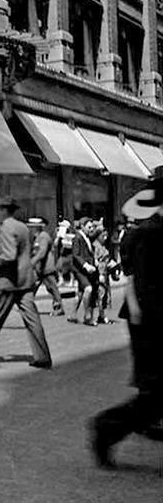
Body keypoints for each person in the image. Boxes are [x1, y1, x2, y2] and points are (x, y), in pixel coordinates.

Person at [90, 167, 163, 468]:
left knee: (155, 396)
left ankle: (113, 426)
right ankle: (108, 427)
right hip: (152, 324)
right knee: (155, 396)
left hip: (149, 320)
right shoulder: (150, 236)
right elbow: (146, 288)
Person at [0, 196, 52, 368]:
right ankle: (43, 357)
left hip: (9, 281)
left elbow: (9, 256)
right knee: (33, 320)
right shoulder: (23, 227)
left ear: (3, 210)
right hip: (26, 280)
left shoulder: (6, 227)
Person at [28, 217, 63, 316]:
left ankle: (58, 307)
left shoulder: (43, 236)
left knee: (51, 288)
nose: (31, 229)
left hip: (46, 267)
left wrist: (32, 262)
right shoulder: (37, 237)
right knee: (31, 286)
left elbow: (42, 252)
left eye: (33, 227)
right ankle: (28, 307)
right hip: (38, 267)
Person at [69, 217, 99, 325]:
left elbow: (90, 251)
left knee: (81, 293)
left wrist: (94, 260)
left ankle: (72, 315)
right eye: (89, 227)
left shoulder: (87, 237)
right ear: (82, 226)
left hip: (88, 269)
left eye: (92, 227)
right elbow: (76, 255)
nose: (91, 229)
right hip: (80, 270)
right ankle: (87, 316)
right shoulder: (77, 238)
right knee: (88, 289)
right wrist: (86, 265)